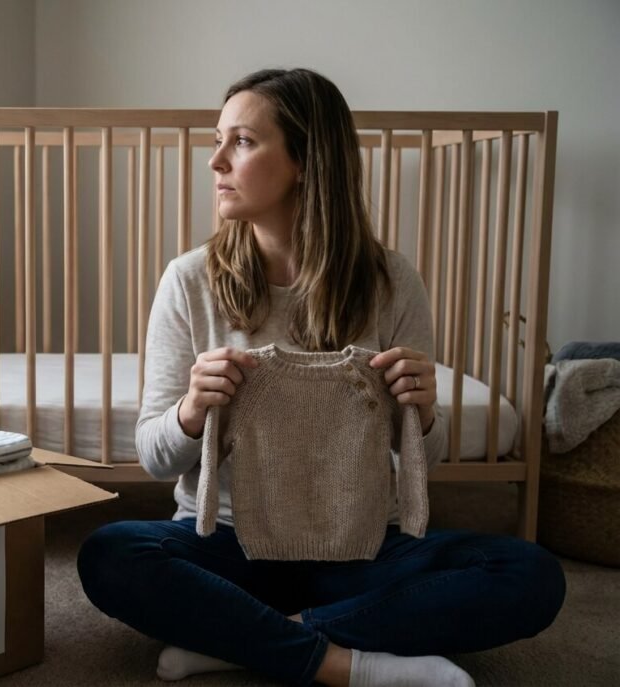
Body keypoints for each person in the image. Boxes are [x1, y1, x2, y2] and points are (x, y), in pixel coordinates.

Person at [76, 68, 565, 687]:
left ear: (307, 160)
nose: (215, 161)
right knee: (110, 553)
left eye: (243, 142)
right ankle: (339, 660)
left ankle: (245, 638)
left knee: (529, 575)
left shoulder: (391, 281)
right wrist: (189, 414)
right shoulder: (190, 279)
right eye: (218, 139)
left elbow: (426, 460)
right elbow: (152, 455)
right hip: (228, 542)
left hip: (363, 543)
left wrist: (423, 415)